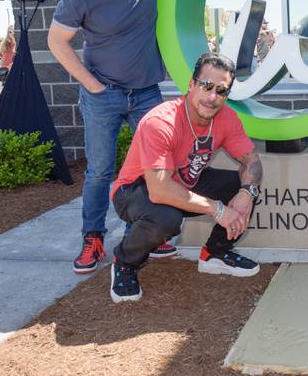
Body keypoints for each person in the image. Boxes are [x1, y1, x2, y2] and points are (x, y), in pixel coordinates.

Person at [48, 0, 190, 274]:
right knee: (99, 171)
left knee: (155, 167)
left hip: (145, 93)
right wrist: (92, 85)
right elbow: (57, 42)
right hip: (102, 96)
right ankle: (92, 238)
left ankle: (141, 235)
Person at [109, 52, 262, 302]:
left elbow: (252, 162)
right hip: (136, 190)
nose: (212, 97)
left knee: (243, 185)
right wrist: (218, 210)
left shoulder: (226, 118)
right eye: (206, 86)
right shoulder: (161, 121)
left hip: (183, 180)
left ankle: (215, 254)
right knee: (166, 218)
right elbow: (159, 190)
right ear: (191, 85)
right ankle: (125, 262)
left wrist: (247, 194)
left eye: (221, 91)